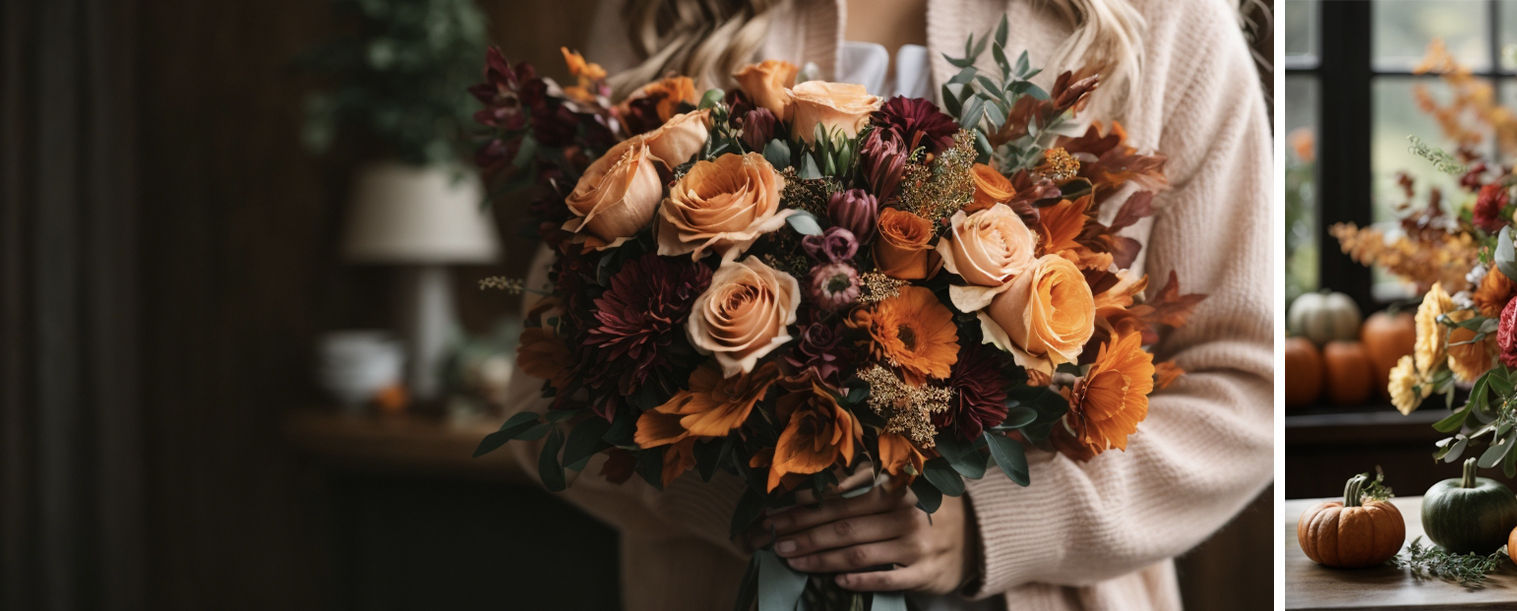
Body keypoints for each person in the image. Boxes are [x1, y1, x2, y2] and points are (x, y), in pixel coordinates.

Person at [504, 0, 1275, 608]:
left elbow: (1245, 388)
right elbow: (550, 374)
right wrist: (749, 504)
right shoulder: (669, 13)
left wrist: (990, 526)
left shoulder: (1162, 17)